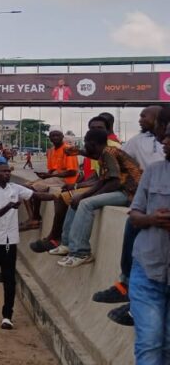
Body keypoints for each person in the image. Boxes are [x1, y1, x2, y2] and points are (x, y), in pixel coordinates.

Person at [94, 106, 169, 325]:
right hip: (146, 196)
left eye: (145, 116)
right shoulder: (138, 141)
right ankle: (129, 289)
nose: (141, 119)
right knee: (136, 231)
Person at [0, 161, 57, 329]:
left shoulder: (15, 188)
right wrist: (10, 206)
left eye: (8, 171)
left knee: (9, 279)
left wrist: (58, 197)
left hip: (8, 241)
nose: (7, 174)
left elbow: (36, 196)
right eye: (3, 171)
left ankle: (8, 315)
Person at [124, 132, 170, 365]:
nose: (164, 143)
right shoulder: (153, 172)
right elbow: (135, 215)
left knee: (166, 345)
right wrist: (152, 219)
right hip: (148, 268)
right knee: (149, 343)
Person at [56, 129, 143, 268]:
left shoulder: (109, 153)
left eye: (86, 142)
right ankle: (66, 244)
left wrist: (89, 196)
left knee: (85, 204)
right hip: (121, 190)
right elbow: (102, 180)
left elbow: (114, 182)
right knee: (75, 200)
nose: (84, 146)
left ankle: (81, 252)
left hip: (130, 193)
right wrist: (83, 195)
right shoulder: (104, 153)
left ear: (93, 144)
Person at [25, 130, 81, 244]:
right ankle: (33, 216)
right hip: (54, 177)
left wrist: (50, 175)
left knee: (34, 188)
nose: (55, 138)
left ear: (62, 137)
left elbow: (72, 172)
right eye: (52, 136)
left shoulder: (68, 150)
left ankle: (35, 217)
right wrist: (45, 175)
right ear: (49, 138)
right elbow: (51, 169)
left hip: (65, 180)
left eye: (57, 135)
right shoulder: (51, 151)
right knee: (24, 187)